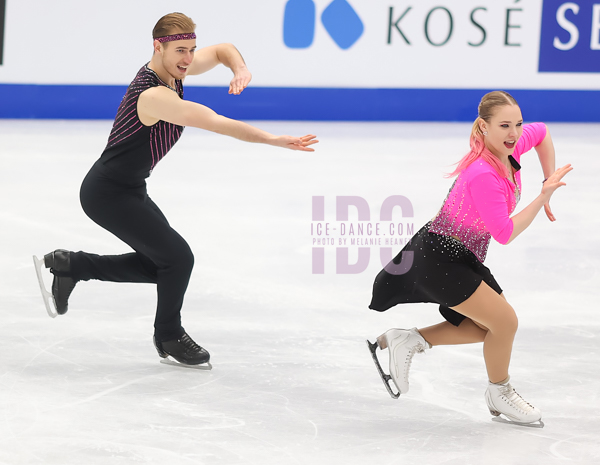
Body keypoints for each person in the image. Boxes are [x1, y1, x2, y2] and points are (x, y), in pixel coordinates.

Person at [33, 12, 318, 369]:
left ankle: (72, 265)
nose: (188, 59)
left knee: (167, 265)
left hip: (129, 188)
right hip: (107, 193)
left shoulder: (172, 69)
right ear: (158, 46)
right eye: (181, 50)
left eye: (192, 49)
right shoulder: (154, 94)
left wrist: (239, 69)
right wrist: (273, 139)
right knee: (178, 259)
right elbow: (216, 122)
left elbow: (224, 50)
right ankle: (168, 333)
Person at [366, 90, 572, 426]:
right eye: (504, 125)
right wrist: (542, 197)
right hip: (439, 258)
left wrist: (548, 176)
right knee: (504, 323)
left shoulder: (513, 148)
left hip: (461, 255)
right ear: (483, 127)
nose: (514, 133)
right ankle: (499, 392)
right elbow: (504, 233)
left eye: (517, 124)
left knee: (490, 327)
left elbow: (543, 132)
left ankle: (411, 340)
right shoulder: (483, 174)